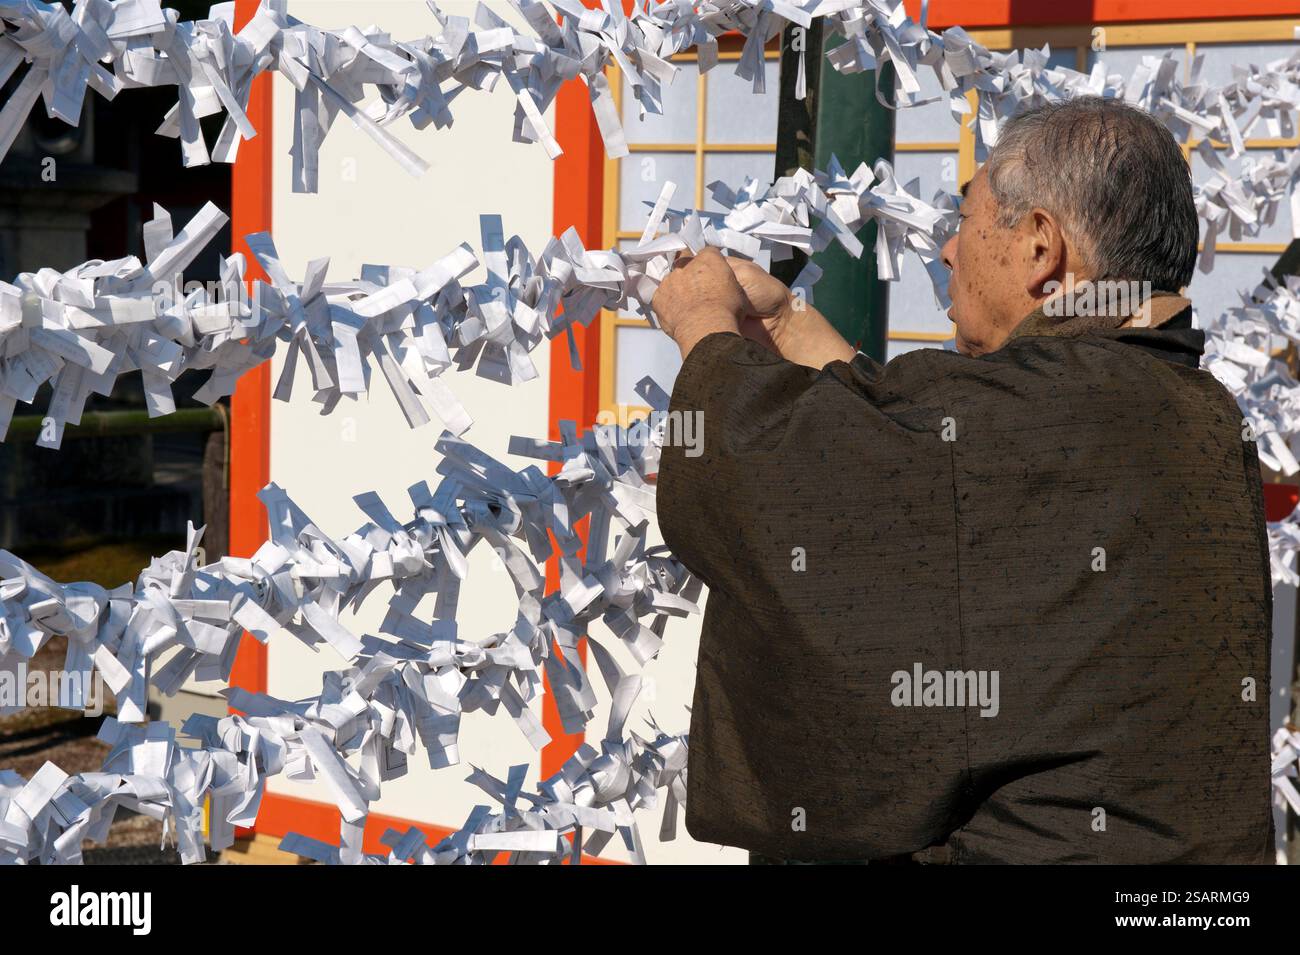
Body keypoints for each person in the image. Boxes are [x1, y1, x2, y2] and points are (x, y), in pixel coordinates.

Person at [649, 96, 1274, 864]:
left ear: (1040, 247)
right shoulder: (1197, 409)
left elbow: (779, 482)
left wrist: (705, 329)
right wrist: (788, 331)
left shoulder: (1044, 406)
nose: (948, 251)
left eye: (968, 221)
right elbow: (920, 455)